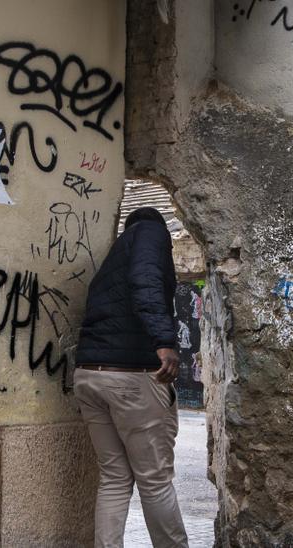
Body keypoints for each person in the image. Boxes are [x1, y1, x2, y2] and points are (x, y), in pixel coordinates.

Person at [74, 207, 188, 548]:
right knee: (154, 480)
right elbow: (148, 282)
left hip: (90, 376)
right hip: (131, 377)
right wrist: (164, 341)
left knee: (114, 477)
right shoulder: (149, 234)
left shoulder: (113, 261)